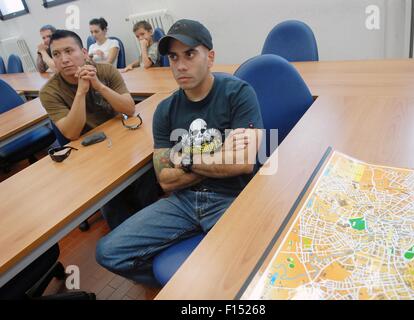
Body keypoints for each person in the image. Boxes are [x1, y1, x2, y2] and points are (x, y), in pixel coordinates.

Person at [96, 19, 264, 286]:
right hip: (184, 202)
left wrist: (184, 160)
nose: (180, 65)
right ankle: (181, 287)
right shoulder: (165, 110)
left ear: (210, 57)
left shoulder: (238, 93)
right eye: (173, 57)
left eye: (190, 54)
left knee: (247, 271)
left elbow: (242, 163)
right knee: (108, 252)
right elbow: (165, 180)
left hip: (231, 196)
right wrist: (220, 158)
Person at [39, 29, 159, 229]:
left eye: (69, 51)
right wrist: (81, 91)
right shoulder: (49, 91)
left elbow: (129, 109)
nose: (64, 59)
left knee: (144, 171)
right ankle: (125, 237)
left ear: (84, 52)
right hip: (88, 152)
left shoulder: (105, 71)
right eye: (56, 54)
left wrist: (99, 85)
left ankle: (153, 222)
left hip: (119, 138)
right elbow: (71, 133)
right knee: (110, 198)